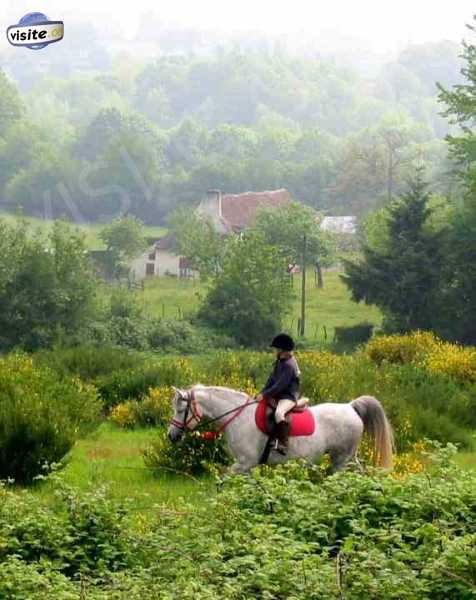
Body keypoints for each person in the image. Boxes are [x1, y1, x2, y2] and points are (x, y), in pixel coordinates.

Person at [256, 333, 301, 455]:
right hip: (279, 394)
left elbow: (280, 385)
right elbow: (271, 380)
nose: (275, 351)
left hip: (288, 396)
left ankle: (283, 444)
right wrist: (262, 393)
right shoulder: (280, 361)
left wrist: (265, 395)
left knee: (279, 413)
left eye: (276, 348)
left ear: (282, 349)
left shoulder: (289, 365)